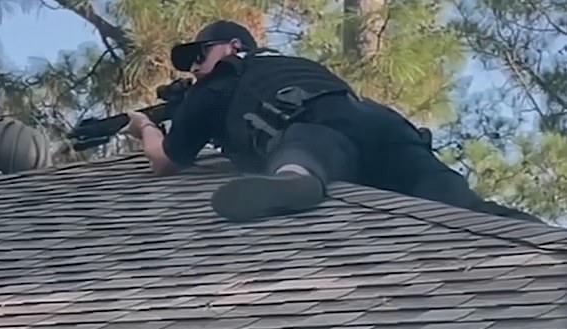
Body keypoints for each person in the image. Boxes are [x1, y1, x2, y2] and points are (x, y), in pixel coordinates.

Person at [124, 20, 542, 224]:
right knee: (456, 202)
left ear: (233, 47)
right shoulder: (297, 63)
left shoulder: (218, 84)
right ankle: (534, 233)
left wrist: (144, 127)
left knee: (305, 149)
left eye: (200, 55)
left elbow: (166, 161)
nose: (196, 68)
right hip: (385, 125)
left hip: (316, 129)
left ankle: (295, 182)